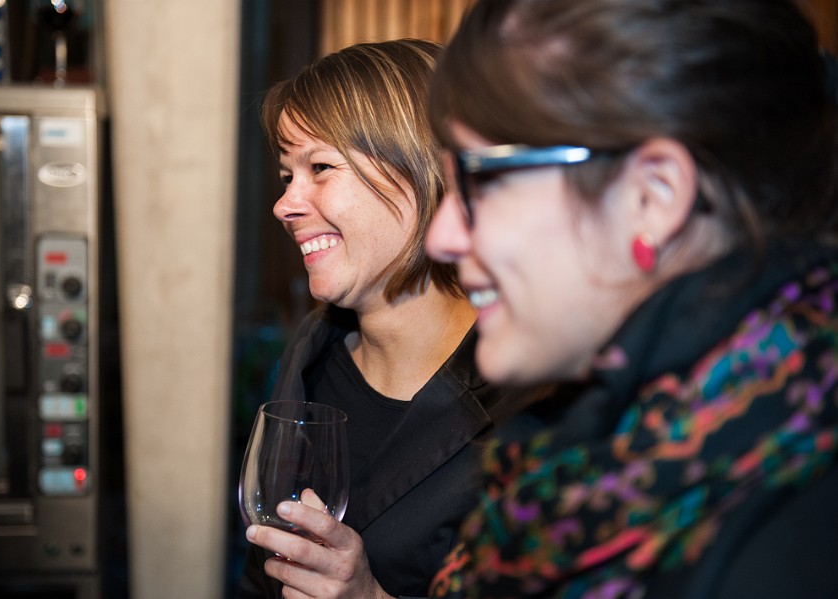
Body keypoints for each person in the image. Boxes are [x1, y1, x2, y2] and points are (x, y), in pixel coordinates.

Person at [423, 0, 838, 597]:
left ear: (653, 196)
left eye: (481, 179)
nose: (441, 237)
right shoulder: (605, 443)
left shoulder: (788, 539)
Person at [238, 39, 548, 599]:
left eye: (320, 167)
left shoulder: (528, 398)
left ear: (423, 169)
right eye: (287, 176)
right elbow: (261, 576)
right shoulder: (312, 349)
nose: (284, 206)